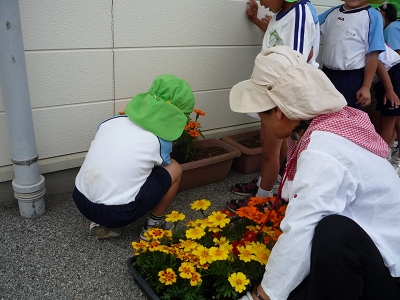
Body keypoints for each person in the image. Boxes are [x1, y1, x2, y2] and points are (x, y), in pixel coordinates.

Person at [232, 46, 400, 300]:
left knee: (334, 234)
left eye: (261, 114)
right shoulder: (331, 123)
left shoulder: (324, 152)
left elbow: (302, 228)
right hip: (377, 250)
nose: (261, 122)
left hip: (390, 275)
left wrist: (260, 296)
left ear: (279, 111)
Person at [72, 74, 195, 240]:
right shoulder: (159, 141)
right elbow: (163, 166)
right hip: (118, 213)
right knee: (175, 168)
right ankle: (153, 226)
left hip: (80, 198)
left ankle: (100, 224)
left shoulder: (112, 121)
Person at [227, 0, 320, 212]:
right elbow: (276, 39)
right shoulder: (283, 13)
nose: (261, 2)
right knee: (268, 144)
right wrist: (257, 21)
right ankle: (269, 183)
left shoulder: (299, 13)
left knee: (270, 150)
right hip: (270, 91)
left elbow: (296, 59)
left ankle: (261, 201)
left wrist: (282, 104)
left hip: (281, 96)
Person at [319, 0, 386, 109]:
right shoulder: (333, 12)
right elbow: (310, 26)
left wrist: (366, 86)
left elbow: (373, 54)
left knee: (347, 117)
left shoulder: (373, 16)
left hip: (351, 79)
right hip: (326, 75)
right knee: (323, 114)